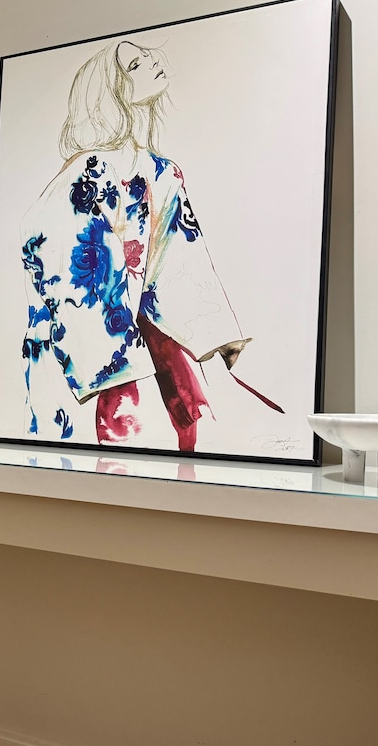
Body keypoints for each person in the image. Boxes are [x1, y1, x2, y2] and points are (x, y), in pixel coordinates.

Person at [20, 40, 266, 452]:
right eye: (135, 64)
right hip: (88, 341)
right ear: (110, 92)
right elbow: (54, 250)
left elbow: (179, 253)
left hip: (144, 330)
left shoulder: (164, 171)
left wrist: (215, 332)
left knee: (178, 435)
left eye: (146, 55)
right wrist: (116, 332)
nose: (152, 61)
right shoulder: (87, 170)